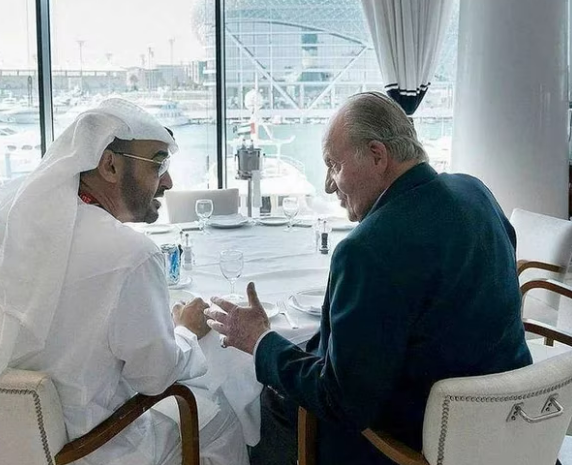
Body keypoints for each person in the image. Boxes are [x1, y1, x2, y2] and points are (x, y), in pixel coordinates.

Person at [205, 91, 532, 464]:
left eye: (334, 165)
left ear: (378, 155)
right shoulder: (474, 191)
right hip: (510, 427)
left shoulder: (368, 249)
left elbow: (342, 402)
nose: (329, 185)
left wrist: (260, 341)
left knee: (265, 406)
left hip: (418, 445)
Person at [0, 98, 248, 465]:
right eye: (158, 162)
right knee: (224, 419)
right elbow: (154, 378)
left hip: (4, 439)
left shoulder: (15, 215)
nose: (168, 181)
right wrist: (185, 330)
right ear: (110, 165)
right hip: (92, 447)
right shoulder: (133, 254)